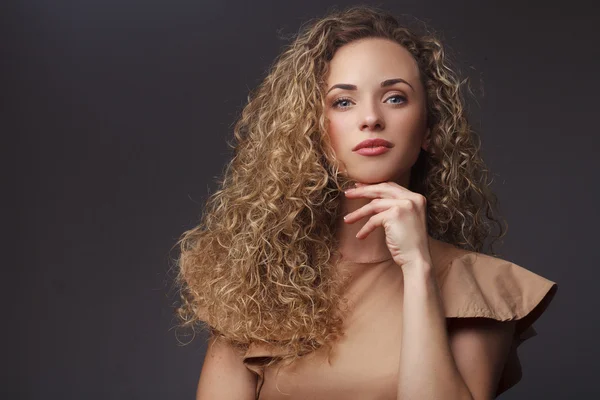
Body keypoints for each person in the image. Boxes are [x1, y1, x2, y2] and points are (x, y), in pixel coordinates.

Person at [174, 5, 558, 400]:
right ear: (314, 131)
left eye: (394, 98)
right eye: (343, 102)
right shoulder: (257, 281)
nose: (371, 118)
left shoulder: (478, 287)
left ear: (428, 129)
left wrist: (418, 268)